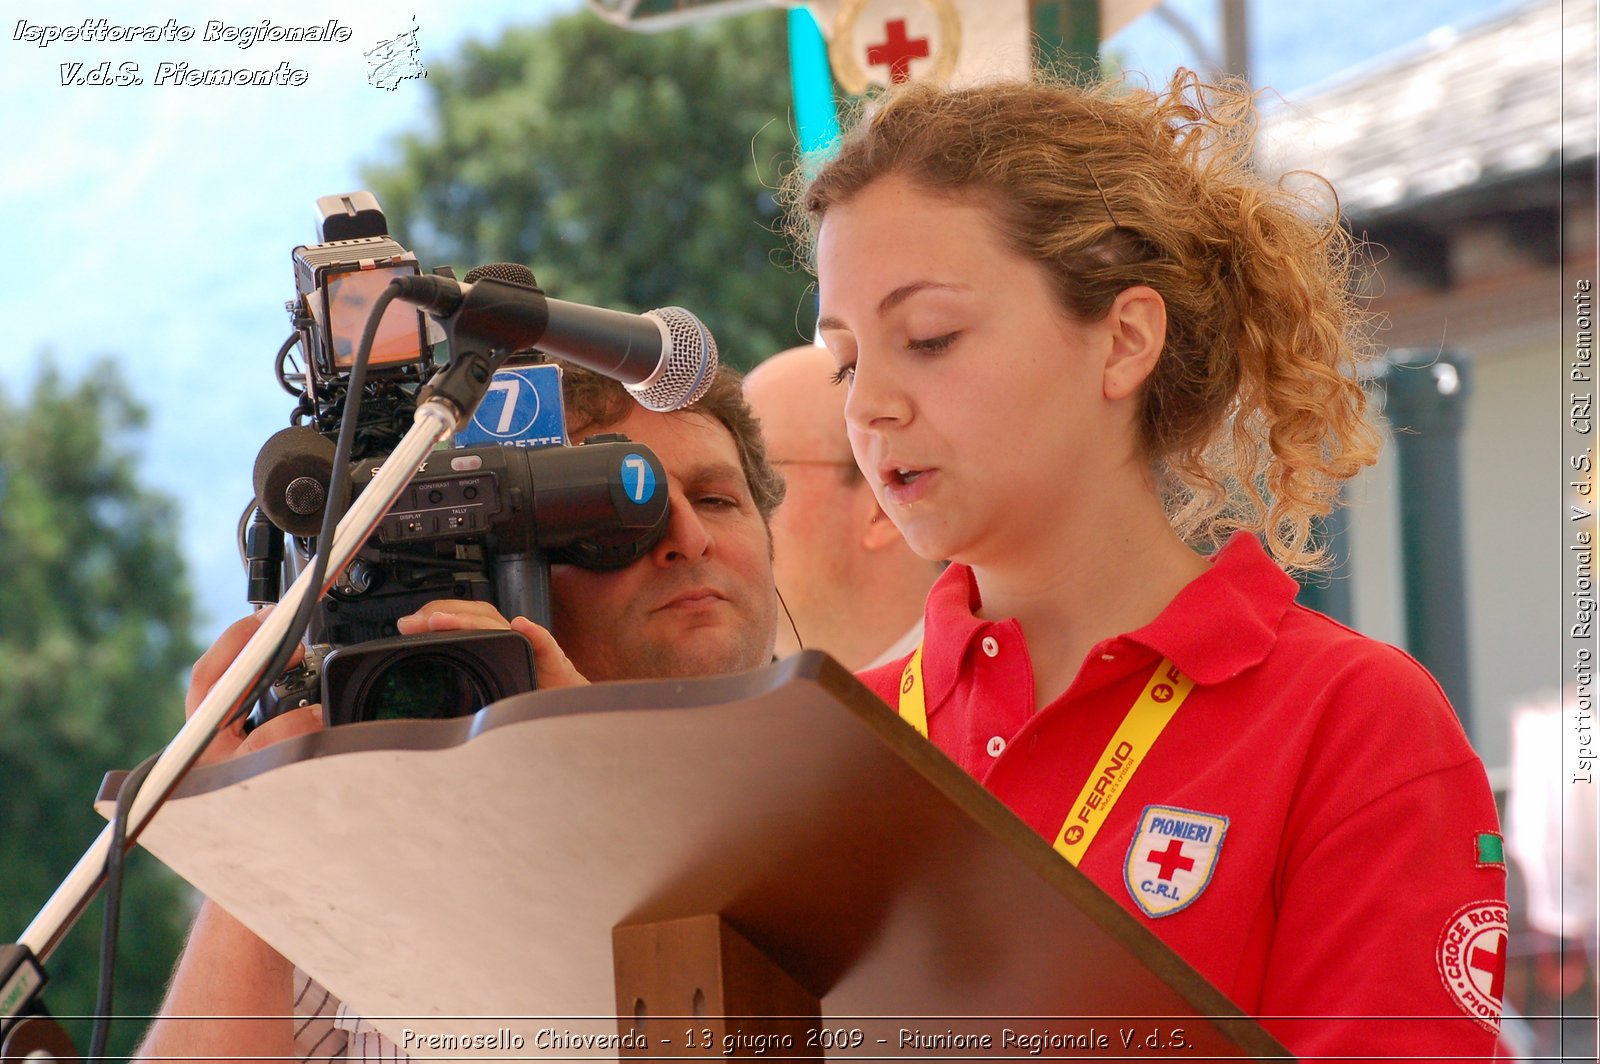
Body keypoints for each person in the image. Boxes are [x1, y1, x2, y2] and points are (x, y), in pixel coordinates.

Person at [786, 70, 1508, 1060]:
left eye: (928, 337)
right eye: (844, 358)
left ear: (1122, 341)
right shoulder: (834, 744)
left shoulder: (1348, 722)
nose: (867, 405)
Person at [136, 364, 785, 1063]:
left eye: (717, 500)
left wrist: (590, 776)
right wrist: (253, 848)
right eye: (624, 516)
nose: (687, 537)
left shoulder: (844, 777)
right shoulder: (370, 850)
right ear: (516, 578)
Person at [743, 343, 941, 669]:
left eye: (755, 473)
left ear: (882, 506)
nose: (710, 519)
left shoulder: (1002, 706)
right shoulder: (743, 717)